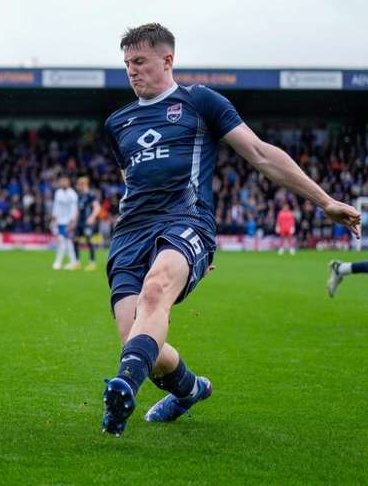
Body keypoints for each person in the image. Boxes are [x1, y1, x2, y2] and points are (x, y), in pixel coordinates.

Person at [100, 23, 360, 436]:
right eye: (127, 64)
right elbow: (131, 181)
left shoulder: (199, 102)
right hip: (130, 234)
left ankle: (121, 391)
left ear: (168, 60)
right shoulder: (118, 122)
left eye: (140, 62)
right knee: (138, 342)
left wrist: (324, 200)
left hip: (185, 222)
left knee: (155, 293)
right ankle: (190, 390)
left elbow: (260, 154)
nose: (132, 71)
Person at [50, 176, 79, 270]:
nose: (63, 184)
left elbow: (74, 209)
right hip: (59, 221)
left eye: (64, 182)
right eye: (61, 182)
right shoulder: (58, 193)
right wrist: (54, 219)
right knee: (65, 241)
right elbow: (56, 206)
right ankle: (72, 261)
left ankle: (60, 262)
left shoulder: (72, 194)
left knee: (65, 241)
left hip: (68, 221)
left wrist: (72, 221)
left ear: (68, 183)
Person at [74, 176, 101, 270]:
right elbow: (78, 210)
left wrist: (92, 217)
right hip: (79, 222)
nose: (77, 187)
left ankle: (92, 262)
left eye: (79, 185)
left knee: (89, 241)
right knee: (75, 240)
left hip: (87, 222)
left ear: (83, 184)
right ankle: (76, 262)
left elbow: (97, 207)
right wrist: (74, 222)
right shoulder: (80, 195)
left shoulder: (90, 194)